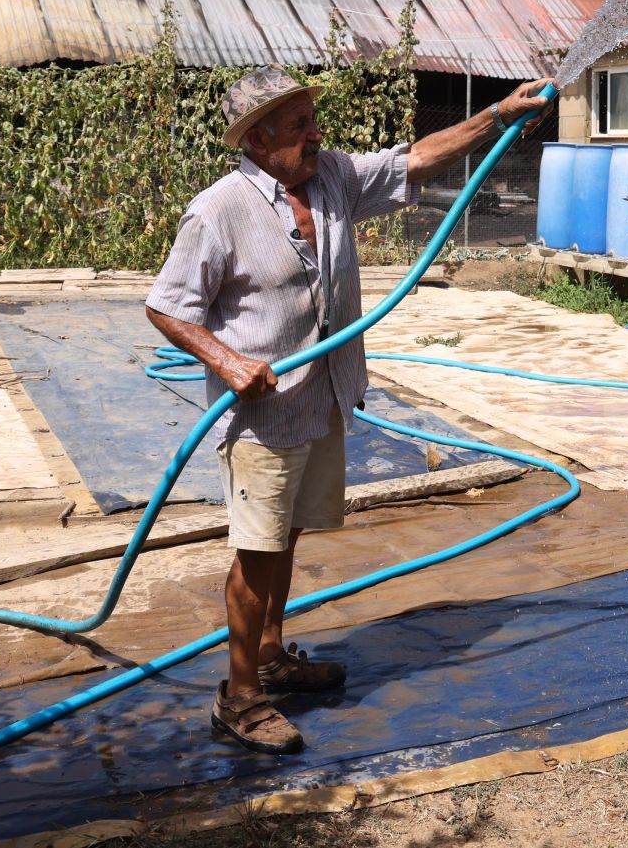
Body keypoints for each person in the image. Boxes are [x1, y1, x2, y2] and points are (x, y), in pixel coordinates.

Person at [145, 65, 553, 754]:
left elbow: (417, 155)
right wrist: (228, 361)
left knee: (292, 532)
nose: (316, 133)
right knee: (256, 550)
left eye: (312, 118)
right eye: (299, 123)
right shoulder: (218, 209)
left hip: (325, 397)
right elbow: (165, 305)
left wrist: (498, 113)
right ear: (257, 137)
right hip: (262, 420)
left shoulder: (332, 176)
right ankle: (239, 695)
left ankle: (272, 654)